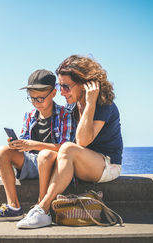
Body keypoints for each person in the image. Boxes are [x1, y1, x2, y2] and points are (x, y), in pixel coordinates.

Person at [17, 55, 123, 229]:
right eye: (60, 86)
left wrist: (89, 103)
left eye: (66, 86)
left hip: (106, 165)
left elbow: (81, 141)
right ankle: (41, 207)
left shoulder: (104, 104)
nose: (62, 92)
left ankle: (42, 209)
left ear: (84, 84)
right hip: (83, 162)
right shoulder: (72, 106)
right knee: (57, 151)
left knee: (67, 148)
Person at [0, 69, 76, 221]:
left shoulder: (65, 114)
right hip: (32, 162)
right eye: (32, 99)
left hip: (53, 165)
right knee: (2, 151)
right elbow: (25, 143)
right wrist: (16, 145)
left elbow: (66, 148)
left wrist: (35, 144)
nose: (36, 103)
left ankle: (41, 207)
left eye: (40, 98)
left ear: (53, 93)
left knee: (45, 155)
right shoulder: (30, 115)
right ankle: (13, 207)